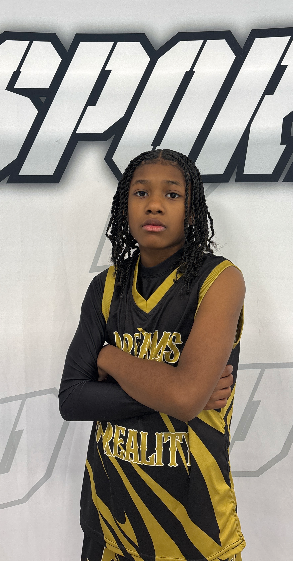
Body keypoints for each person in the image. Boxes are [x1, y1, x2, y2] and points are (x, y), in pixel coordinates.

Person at [59, 149, 246, 561]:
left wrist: (109, 359)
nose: (154, 204)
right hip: (109, 521)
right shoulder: (105, 286)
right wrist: (179, 389)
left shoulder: (220, 280)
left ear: (192, 211)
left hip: (194, 526)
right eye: (140, 193)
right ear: (124, 207)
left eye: (172, 194)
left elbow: (185, 398)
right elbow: (72, 399)